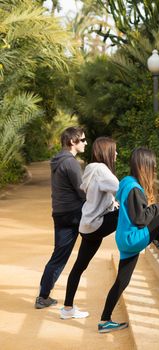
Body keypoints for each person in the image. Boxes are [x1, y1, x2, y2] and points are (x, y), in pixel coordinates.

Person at [98, 147, 159, 333]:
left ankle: (104, 321)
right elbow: (140, 219)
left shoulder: (127, 181)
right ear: (145, 166)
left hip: (125, 237)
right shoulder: (135, 189)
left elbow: (136, 214)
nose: (156, 167)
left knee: (122, 281)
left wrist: (156, 218)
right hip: (133, 238)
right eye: (153, 164)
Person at [59, 137, 119, 320]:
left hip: (87, 225)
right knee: (130, 215)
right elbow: (122, 189)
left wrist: (111, 204)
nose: (116, 154)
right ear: (106, 152)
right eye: (114, 150)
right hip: (96, 224)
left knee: (79, 267)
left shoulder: (91, 168)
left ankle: (67, 309)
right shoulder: (102, 170)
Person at [35, 126, 87, 309]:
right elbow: (82, 191)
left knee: (59, 255)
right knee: (59, 256)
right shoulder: (71, 162)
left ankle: (44, 295)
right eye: (82, 140)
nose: (85, 143)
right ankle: (43, 296)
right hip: (73, 214)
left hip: (61, 213)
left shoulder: (58, 160)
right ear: (72, 141)